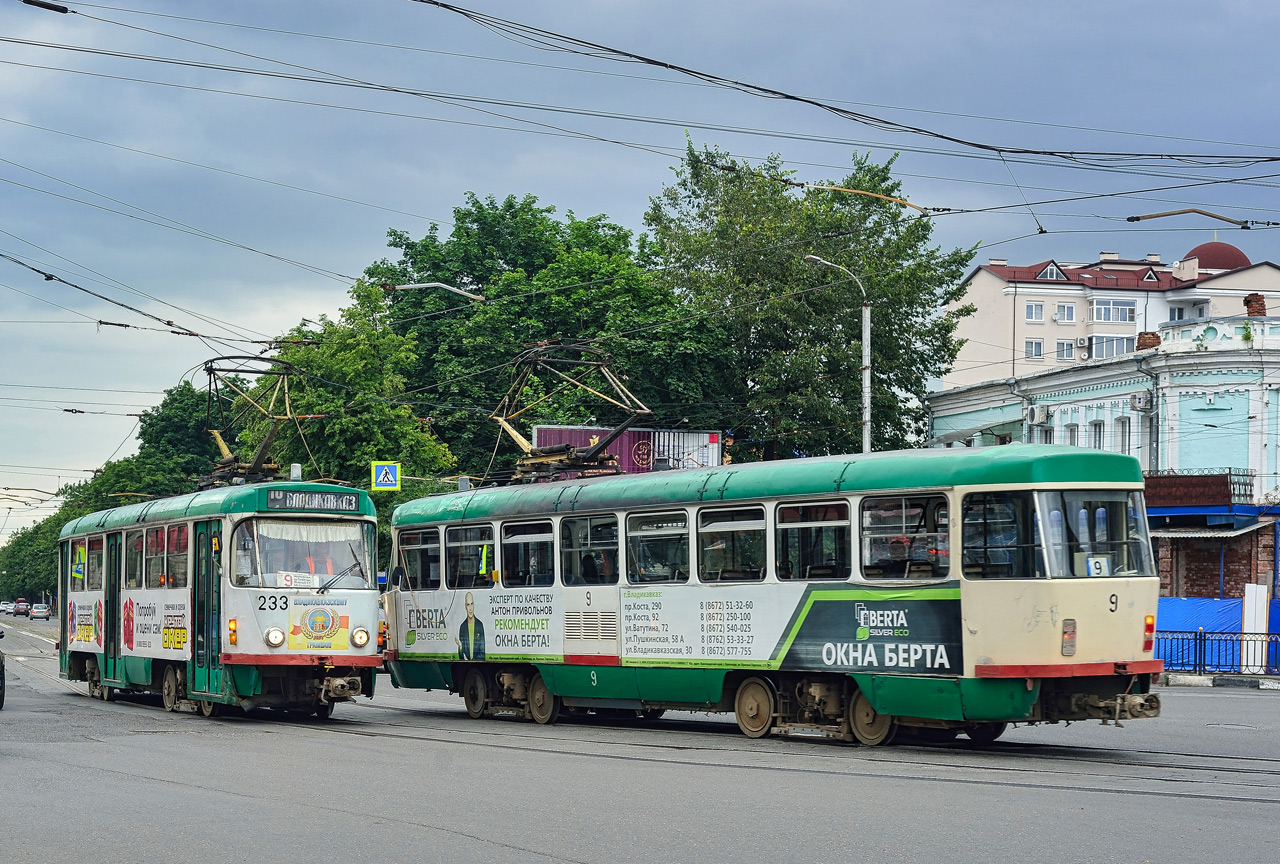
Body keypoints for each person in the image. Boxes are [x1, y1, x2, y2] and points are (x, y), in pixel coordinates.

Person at [455, 592, 486, 660]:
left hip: (478, 664)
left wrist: (471, 662)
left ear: (474, 605)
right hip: (466, 665)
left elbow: (482, 654)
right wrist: (460, 647)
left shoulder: (480, 625)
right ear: (465, 606)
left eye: (471, 604)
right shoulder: (462, 627)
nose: (470, 609)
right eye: (468, 605)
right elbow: (461, 657)